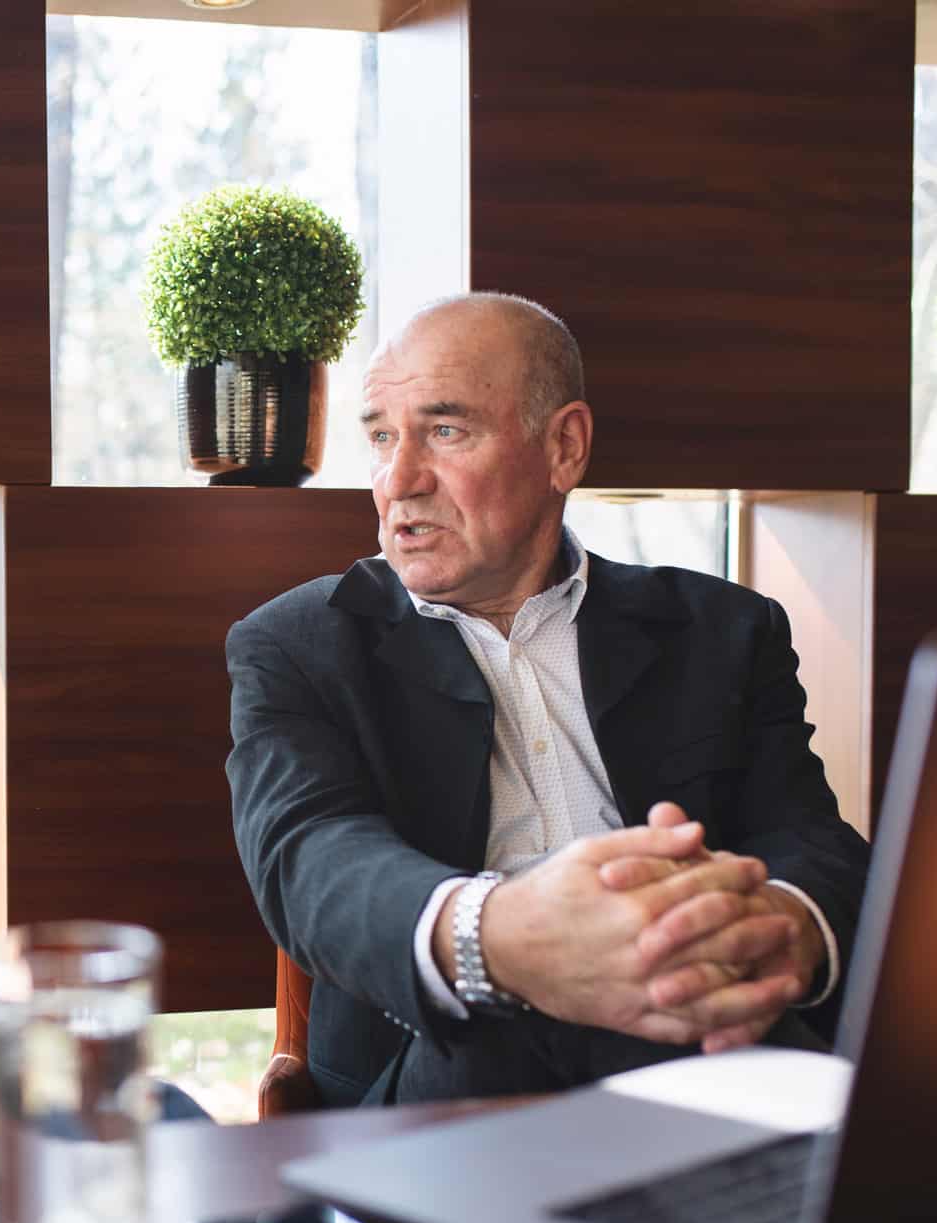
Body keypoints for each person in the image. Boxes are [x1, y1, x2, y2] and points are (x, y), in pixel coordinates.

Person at [225, 293, 869, 1109]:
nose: (398, 480)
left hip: (710, 1044)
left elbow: (809, 838)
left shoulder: (720, 630)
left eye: (445, 430)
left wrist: (778, 927)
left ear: (563, 446)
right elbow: (309, 864)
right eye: (382, 437)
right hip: (445, 1076)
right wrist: (504, 936)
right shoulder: (295, 645)